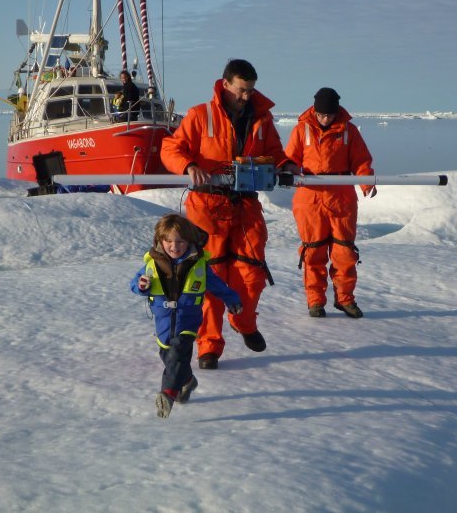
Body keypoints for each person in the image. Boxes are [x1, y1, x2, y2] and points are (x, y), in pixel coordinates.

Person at [160, 59, 299, 369]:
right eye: (241, 90)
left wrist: (286, 165)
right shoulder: (200, 115)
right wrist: (189, 166)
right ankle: (209, 346)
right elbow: (171, 148)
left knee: (252, 274)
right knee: (210, 279)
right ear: (225, 85)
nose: (246, 96)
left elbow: (275, 153)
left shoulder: (261, 118)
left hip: (246, 206)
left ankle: (244, 322)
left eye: (250, 90)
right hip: (207, 208)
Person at [130, 213, 242, 418]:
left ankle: (168, 393)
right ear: (160, 241)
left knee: (178, 352)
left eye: (180, 241)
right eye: (169, 241)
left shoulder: (197, 264)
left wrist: (232, 300)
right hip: (163, 322)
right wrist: (141, 286)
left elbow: (218, 285)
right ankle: (187, 381)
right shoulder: (152, 264)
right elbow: (135, 284)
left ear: (189, 241)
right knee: (167, 355)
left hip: (188, 319)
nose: (175, 246)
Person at [284, 87, 375, 319]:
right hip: (309, 199)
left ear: (337, 112)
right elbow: (288, 159)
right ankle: (315, 301)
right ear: (314, 110)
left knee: (344, 252)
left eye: (329, 115)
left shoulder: (349, 131)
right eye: (321, 115)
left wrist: (366, 182)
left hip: (341, 197)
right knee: (313, 253)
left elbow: (362, 160)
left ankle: (345, 300)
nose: (325, 119)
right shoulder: (301, 130)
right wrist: (288, 170)